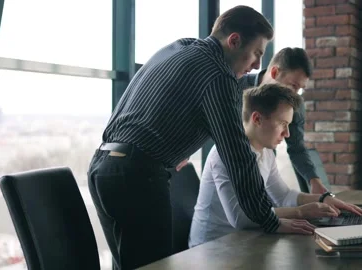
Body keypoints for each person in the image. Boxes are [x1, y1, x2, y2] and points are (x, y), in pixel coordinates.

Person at [87, 6, 311, 270]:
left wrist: (171, 147)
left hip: (104, 167)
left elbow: (160, 103)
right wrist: (269, 219)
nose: (257, 65)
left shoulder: (181, 47)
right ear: (234, 41)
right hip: (138, 175)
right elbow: (238, 155)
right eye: (257, 54)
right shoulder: (219, 75)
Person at [188, 84, 362, 248]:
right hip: (211, 248)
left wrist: (322, 199)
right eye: (283, 124)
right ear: (257, 119)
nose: (287, 134)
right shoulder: (225, 153)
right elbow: (241, 218)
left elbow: (283, 195)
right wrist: (300, 212)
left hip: (244, 240)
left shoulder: (266, 153)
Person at [239, 47, 328, 194]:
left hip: (264, 176)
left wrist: (314, 181)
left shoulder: (294, 105)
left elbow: (297, 148)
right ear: (274, 73)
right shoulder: (236, 87)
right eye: (293, 85)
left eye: (300, 89)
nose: (296, 94)